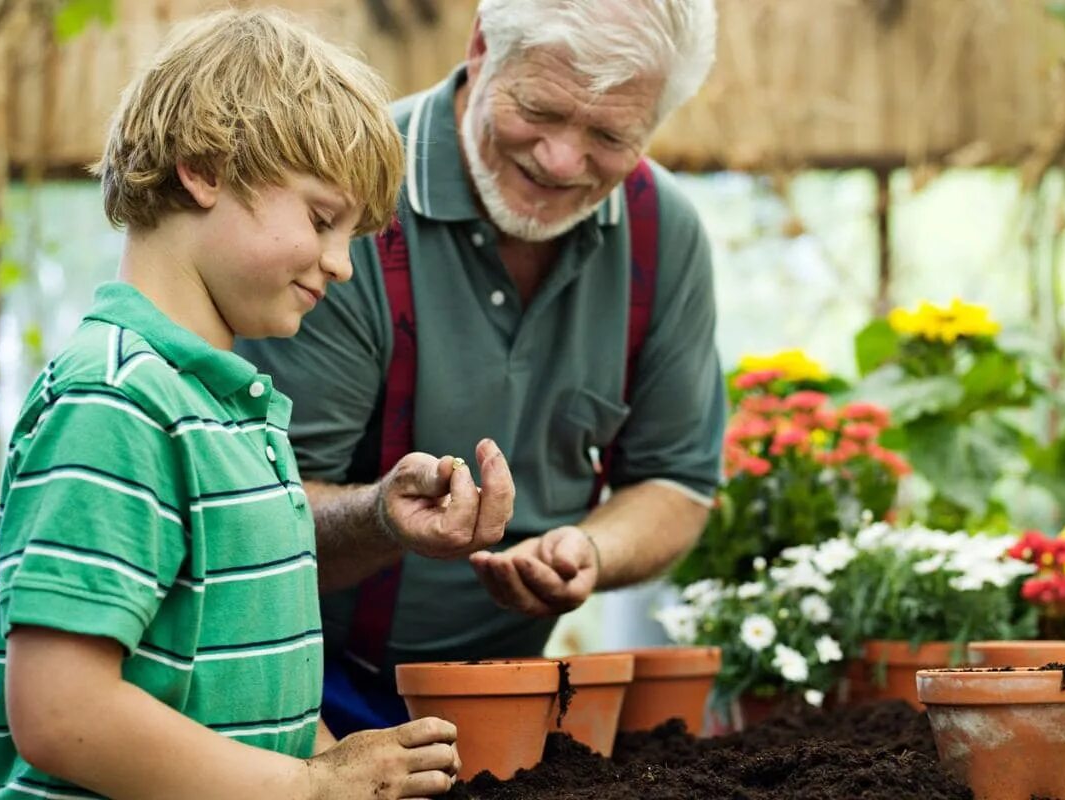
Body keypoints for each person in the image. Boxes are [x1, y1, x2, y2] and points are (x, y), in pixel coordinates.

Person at [0, 9, 514, 799]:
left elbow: (260, 704)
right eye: (323, 220)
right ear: (204, 168)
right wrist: (315, 787)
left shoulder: (232, 412)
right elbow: (62, 714)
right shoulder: (115, 401)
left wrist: (344, 765)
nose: (342, 267)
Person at [236, 0, 725, 735]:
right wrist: (383, 518)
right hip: (293, 683)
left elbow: (676, 481)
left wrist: (591, 549)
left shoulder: (665, 235)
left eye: (609, 134)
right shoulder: (349, 199)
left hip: (515, 699)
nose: (561, 161)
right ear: (480, 47)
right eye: (539, 109)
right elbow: (254, 512)